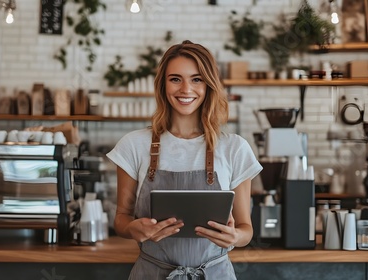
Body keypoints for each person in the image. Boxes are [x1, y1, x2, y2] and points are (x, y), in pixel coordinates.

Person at [106, 40, 262, 279]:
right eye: (175, 79)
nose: (186, 89)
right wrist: (132, 228)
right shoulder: (134, 145)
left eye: (197, 79)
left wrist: (235, 237)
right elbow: (121, 219)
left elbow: (245, 229)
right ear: (163, 84)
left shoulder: (234, 148)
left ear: (209, 84)